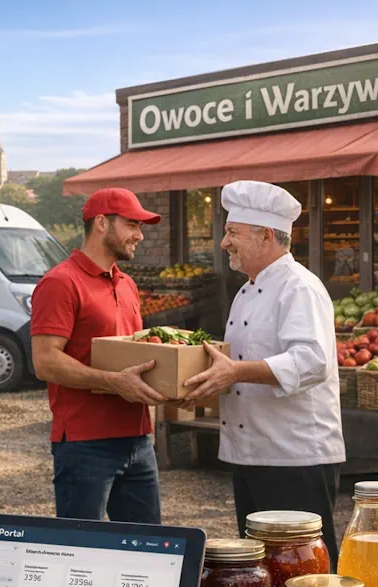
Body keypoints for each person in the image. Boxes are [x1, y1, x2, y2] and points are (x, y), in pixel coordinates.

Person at [184, 180, 345, 563]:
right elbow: (236, 366)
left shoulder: (299, 287)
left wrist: (235, 372)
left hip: (294, 458)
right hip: (253, 454)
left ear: (266, 236)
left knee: (306, 567)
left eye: (233, 233)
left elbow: (311, 361)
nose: (225, 243)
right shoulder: (247, 290)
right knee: (264, 567)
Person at [30, 187, 167, 523]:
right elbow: (45, 361)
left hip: (138, 440)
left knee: (146, 551)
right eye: (132, 225)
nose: (139, 235)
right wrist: (113, 382)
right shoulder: (60, 282)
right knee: (81, 555)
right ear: (102, 223)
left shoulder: (127, 284)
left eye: (141, 227)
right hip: (84, 444)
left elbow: (136, 355)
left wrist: (173, 388)